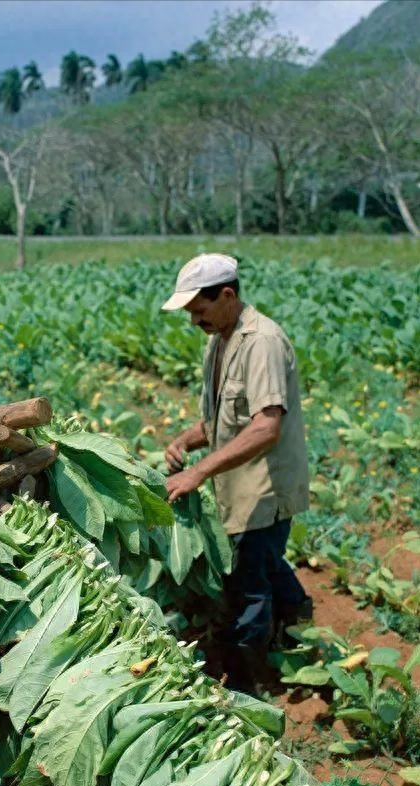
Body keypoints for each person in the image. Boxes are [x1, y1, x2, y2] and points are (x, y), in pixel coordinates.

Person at [161, 253, 312, 696]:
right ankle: (297, 618)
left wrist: (199, 473)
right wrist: (186, 441)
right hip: (235, 480)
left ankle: (248, 681)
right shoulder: (219, 339)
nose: (194, 322)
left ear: (227, 295)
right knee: (260, 560)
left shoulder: (262, 341)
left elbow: (266, 426)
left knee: (248, 582)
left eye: (199, 311)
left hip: (263, 484)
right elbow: (223, 420)